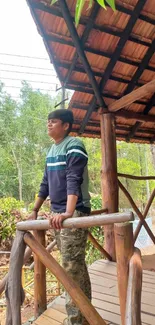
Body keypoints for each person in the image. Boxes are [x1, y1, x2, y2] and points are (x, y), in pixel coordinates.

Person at [29, 109, 91, 325]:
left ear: (65, 126)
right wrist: (35, 209)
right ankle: (84, 316)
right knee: (76, 267)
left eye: (53, 122)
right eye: (47, 122)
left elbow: (74, 179)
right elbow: (45, 183)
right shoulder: (51, 150)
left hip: (74, 212)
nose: (48, 125)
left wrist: (68, 211)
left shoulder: (74, 145)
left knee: (71, 268)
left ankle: (75, 320)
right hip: (59, 214)